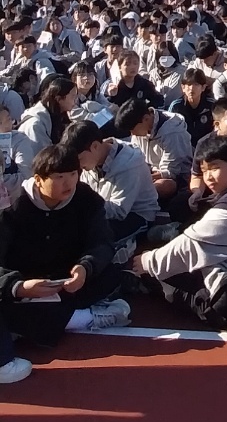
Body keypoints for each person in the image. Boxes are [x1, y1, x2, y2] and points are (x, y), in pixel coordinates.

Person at [0, 143, 130, 382]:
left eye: (73, 174)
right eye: (59, 177)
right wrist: (18, 286)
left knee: (111, 273)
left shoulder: (87, 199)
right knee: (12, 306)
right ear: (38, 180)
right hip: (27, 282)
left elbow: (102, 243)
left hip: (67, 278)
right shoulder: (13, 205)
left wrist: (85, 267)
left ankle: (61, 318)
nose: (68, 182)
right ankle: (86, 318)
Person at [132, 136, 227, 332]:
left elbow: (186, 248)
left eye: (214, 168)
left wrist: (146, 262)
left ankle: (207, 309)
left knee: (163, 275)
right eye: (204, 171)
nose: (208, 177)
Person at [62, 120, 160, 260]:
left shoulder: (129, 164)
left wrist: (86, 207)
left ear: (95, 146)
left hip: (137, 215)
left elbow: (119, 210)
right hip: (102, 210)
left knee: (97, 237)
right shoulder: (92, 160)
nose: (77, 165)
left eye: (80, 159)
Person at [112, 99, 193, 208]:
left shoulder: (173, 132)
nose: (132, 134)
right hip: (151, 172)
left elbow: (171, 171)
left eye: (132, 130)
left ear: (145, 119)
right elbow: (136, 154)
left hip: (178, 177)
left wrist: (143, 179)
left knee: (164, 185)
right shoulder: (141, 127)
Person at [13, 74, 78, 179]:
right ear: (59, 99)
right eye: (73, 96)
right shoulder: (35, 124)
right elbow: (44, 159)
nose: (76, 100)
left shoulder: (57, 115)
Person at [168, 68, 216, 145]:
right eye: (188, 84)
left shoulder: (211, 105)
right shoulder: (176, 106)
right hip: (182, 146)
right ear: (183, 87)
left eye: (196, 84)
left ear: (203, 87)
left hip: (206, 147)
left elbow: (217, 129)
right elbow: (170, 129)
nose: (191, 88)